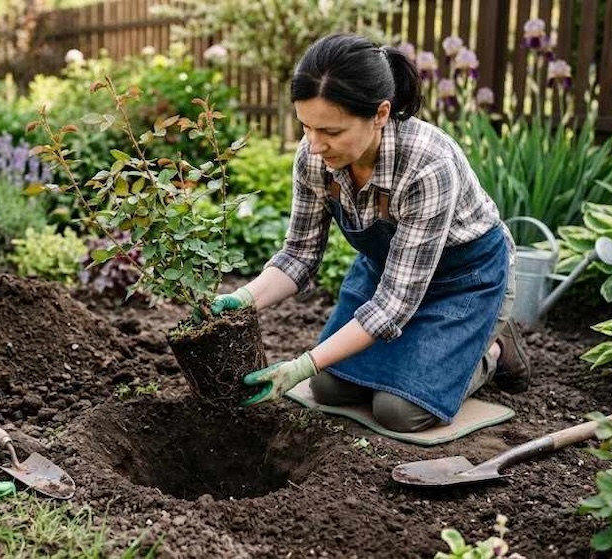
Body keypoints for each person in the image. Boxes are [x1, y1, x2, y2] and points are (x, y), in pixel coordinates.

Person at [213, 33, 530, 432]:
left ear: (380, 114)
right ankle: (426, 358)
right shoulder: (314, 160)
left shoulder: (427, 166)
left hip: (464, 281)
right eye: (306, 127)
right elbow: (299, 255)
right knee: (328, 387)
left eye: (331, 131)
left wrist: (301, 363)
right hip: (387, 273)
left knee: (399, 411)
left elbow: (394, 305)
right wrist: (241, 300)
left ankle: (494, 350)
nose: (314, 145)